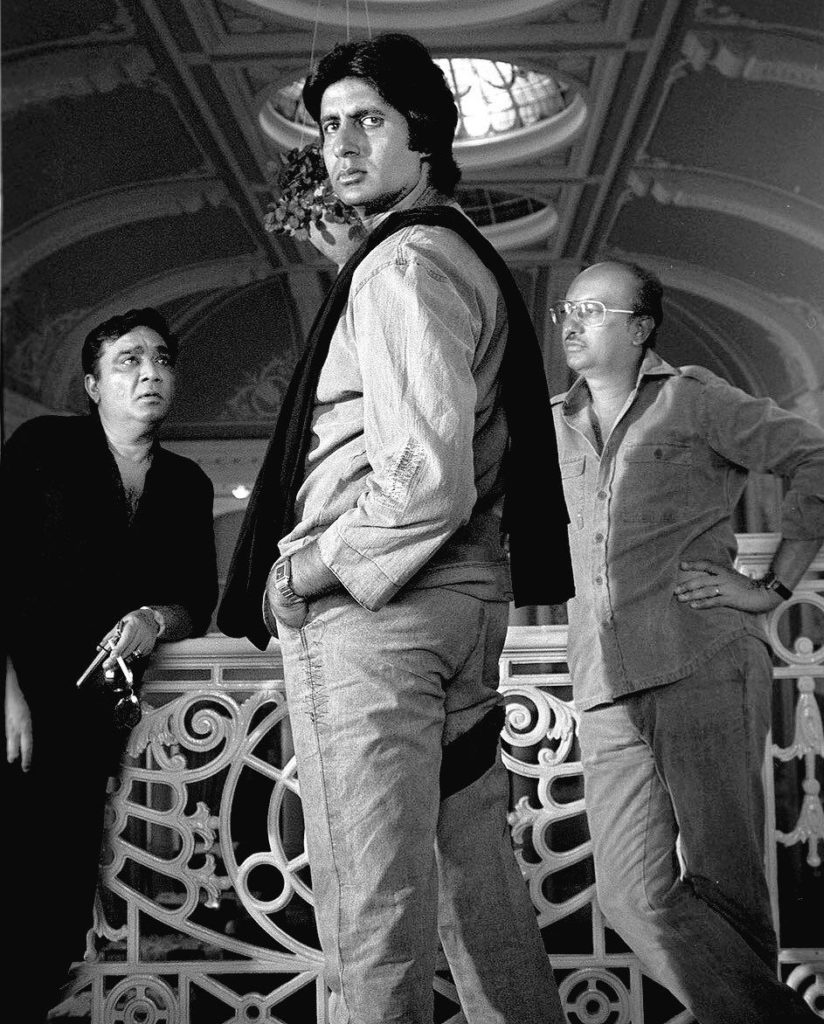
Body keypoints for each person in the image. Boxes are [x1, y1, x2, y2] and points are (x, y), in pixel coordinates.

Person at [218, 32, 572, 1024]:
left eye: (367, 121)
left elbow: (423, 484)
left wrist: (304, 571)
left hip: (382, 619)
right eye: (329, 125)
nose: (339, 145)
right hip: (455, 608)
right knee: (477, 896)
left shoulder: (402, 266)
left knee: (371, 918)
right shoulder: (445, 251)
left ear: (423, 132)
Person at [550, 259, 824, 1024]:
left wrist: (770, 587)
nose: (572, 322)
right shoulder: (547, 423)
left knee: (725, 886)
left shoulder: (694, 399)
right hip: (601, 680)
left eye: (593, 310)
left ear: (640, 328)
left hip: (700, 658)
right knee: (628, 895)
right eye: (567, 309)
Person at [2, 307, 218, 1023]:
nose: (150, 372)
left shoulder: (186, 483)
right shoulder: (44, 446)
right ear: (93, 385)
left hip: (93, 715)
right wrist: (7, 693)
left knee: (57, 897)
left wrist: (155, 619)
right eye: (128, 360)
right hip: (18, 695)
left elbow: (195, 602)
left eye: (161, 359)